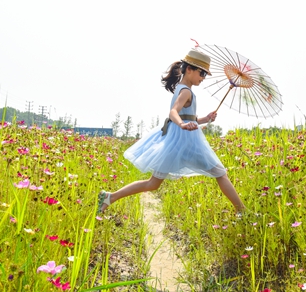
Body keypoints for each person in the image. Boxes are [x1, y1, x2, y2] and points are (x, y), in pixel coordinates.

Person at [97, 49, 245, 214]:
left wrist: (205, 118)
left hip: (176, 142)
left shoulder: (181, 88)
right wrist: (182, 124)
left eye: (205, 74)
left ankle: (109, 197)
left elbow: (188, 117)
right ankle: (243, 211)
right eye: (202, 72)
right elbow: (174, 112)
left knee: (153, 183)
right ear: (189, 69)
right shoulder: (186, 91)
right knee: (220, 173)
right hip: (186, 141)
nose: (203, 77)